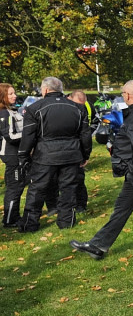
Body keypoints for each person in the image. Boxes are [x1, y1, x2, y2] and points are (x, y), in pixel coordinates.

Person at [70, 80, 133, 260]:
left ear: (128, 95)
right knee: (121, 209)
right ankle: (98, 245)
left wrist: (132, 167)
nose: (123, 96)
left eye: (123, 93)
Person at [17, 77, 91, 232]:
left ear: (44, 90)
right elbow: (85, 135)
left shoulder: (34, 108)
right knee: (68, 188)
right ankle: (66, 221)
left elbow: (28, 136)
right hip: (70, 154)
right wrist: (85, 154)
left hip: (45, 155)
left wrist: (23, 155)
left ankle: (30, 223)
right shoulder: (78, 108)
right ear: (61, 89)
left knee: (37, 189)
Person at [0, 83, 25, 227]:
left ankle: (15, 216)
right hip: (11, 154)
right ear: (2, 96)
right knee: (14, 187)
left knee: (18, 185)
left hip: (16, 154)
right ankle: (9, 220)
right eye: (10, 94)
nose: (14, 96)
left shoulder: (12, 111)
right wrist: (29, 136)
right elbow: (11, 136)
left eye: (14, 93)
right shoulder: (4, 113)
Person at [68, 91, 91, 213]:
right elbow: (85, 133)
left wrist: (86, 154)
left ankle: (80, 205)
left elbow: (85, 133)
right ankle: (77, 205)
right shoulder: (76, 109)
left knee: (77, 178)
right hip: (71, 147)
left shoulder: (80, 109)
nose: (80, 107)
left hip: (73, 148)